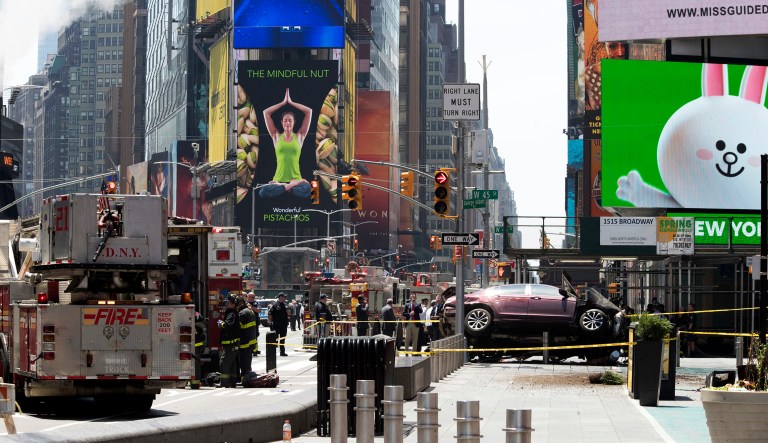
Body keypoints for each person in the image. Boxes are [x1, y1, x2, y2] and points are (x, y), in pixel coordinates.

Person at [258, 88, 313, 200]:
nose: (287, 122)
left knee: (312, 191)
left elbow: (309, 112)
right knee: (262, 192)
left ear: (294, 123)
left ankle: (286, 187)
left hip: (296, 181)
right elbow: (266, 113)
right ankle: (288, 186)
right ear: (282, 123)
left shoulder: (300, 137)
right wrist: (283, 103)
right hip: (278, 180)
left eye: (290, 120)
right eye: (285, 120)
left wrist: (291, 103)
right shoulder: (276, 137)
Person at [217, 294, 240, 388]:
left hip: (229, 344)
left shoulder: (231, 314)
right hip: (231, 344)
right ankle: (232, 381)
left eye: (228, 302)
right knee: (232, 363)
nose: (227, 303)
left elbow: (227, 325)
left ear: (233, 304)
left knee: (224, 363)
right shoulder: (232, 313)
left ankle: (225, 383)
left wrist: (221, 323)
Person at [237, 296, 257, 379]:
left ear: (241, 303)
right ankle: (247, 376)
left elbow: (237, 327)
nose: (236, 306)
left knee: (243, 361)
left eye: (237, 304)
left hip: (244, 341)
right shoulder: (250, 311)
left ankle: (244, 377)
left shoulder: (242, 313)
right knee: (248, 360)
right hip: (251, 340)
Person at [269, 292, 290, 357]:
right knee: (275, 338)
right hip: (276, 324)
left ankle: (282, 352)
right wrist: (269, 321)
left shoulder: (285, 304)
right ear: (280, 297)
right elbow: (270, 313)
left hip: (284, 324)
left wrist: (288, 310)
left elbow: (289, 314)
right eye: (284, 297)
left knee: (282, 338)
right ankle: (273, 352)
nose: (285, 298)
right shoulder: (275, 305)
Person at [191, 311, 206, 389]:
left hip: (191, 345)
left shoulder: (185, 313)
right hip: (199, 345)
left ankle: (194, 383)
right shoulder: (198, 314)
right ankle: (195, 383)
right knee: (196, 364)